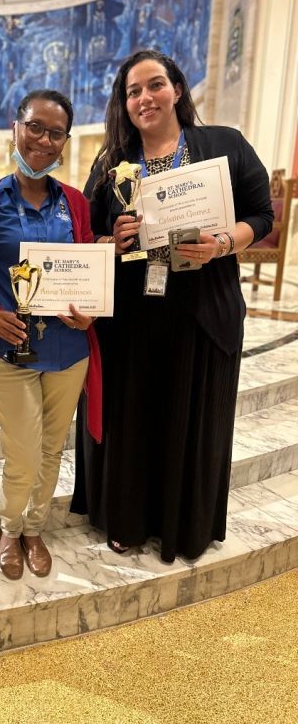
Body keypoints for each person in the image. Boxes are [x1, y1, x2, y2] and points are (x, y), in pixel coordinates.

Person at [72, 50, 273, 563]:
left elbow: (261, 214)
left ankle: (184, 524)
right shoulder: (111, 163)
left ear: (177, 90)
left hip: (202, 311)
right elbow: (91, 233)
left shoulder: (223, 145)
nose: (145, 98)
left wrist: (224, 243)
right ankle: (129, 519)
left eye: (155, 85)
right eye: (133, 91)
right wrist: (110, 239)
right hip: (133, 318)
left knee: (193, 416)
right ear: (125, 103)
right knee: (133, 417)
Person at [0, 89, 102, 580]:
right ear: (16, 126)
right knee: (22, 449)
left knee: (51, 448)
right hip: (11, 350)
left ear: (66, 141)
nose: (44, 140)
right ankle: (9, 526)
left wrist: (88, 312)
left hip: (68, 350)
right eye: (36, 127)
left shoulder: (75, 203)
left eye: (55, 133)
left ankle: (34, 528)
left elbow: (85, 266)